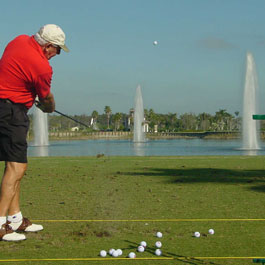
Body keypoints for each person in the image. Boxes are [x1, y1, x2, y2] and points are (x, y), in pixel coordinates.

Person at [0, 24, 69, 241]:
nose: (57, 54)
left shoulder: (18, 40)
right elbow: (47, 100)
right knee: (17, 167)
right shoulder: (42, 67)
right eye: (57, 50)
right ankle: (0, 223)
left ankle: (15, 219)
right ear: (48, 46)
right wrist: (46, 107)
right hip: (12, 112)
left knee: (13, 165)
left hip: (4, 108)